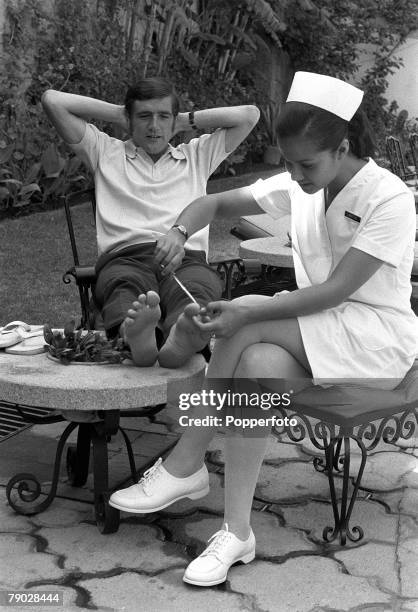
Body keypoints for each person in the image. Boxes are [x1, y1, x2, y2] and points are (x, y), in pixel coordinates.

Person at [109, 72, 417, 586]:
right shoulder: (305, 182)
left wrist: (249, 312)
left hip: (376, 341)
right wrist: (179, 229)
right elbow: (213, 203)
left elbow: (338, 290)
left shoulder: (389, 199)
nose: (295, 176)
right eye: (288, 163)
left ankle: (186, 459)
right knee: (249, 365)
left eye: (306, 164)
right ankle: (236, 531)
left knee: (247, 314)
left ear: (343, 148)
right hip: (319, 330)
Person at [41, 78, 259, 367]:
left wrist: (182, 121)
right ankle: (138, 338)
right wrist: (122, 115)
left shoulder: (197, 155)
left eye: (163, 117)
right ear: (130, 119)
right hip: (126, 259)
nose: (154, 126)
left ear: (174, 120)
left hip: (186, 259)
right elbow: (53, 100)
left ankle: (181, 338)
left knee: (198, 287)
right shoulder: (105, 152)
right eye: (144, 116)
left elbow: (249, 115)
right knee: (124, 288)